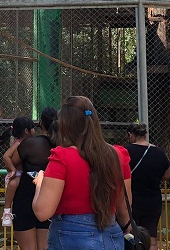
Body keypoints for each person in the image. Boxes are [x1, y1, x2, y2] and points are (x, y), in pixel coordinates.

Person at [32, 96, 132, 249]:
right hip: (111, 235)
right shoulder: (118, 155)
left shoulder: (62, 157)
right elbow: (124, 209)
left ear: (64, 125)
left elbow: (42, 212)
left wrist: (40, 183)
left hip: (70, 237)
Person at [10, 108, 56, 250]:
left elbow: (14, 163)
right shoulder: (61, 146)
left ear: (40, 123)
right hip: (49, 202)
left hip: (25, 200)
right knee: (44, 247)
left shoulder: (29, 144)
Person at [123, 122, 170, 250]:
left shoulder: (125, 152)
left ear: (130, 135)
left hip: (131, 202)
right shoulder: (159, 153)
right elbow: (167, 176)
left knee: (130, 237)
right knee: (152, 240)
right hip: (152, 201)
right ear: (145, 135)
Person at [2, 117, 34, 227]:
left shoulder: (32, 142)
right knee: (13, 183)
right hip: (19, 173)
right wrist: (13, 169)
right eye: (33, 128)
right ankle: (6, 210)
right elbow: (6, 156)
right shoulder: (18, 143)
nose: (34, 130)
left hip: (28, 173)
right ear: (26, 131)